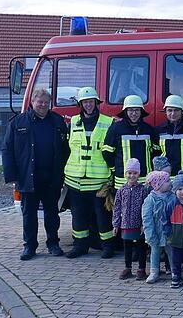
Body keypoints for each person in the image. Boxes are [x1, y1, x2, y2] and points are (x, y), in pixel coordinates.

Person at [3, 88, 70, 261]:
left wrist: (63, 173)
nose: (43, 105)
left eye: (46, 102)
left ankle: (53, 244)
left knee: (52, 214)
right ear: (32, 102)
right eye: (40, 102)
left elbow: (66, 149)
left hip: (51, 177)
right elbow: (7, 149)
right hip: (27, 177)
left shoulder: (57, 121)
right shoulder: (18, 122)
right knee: (29, 214)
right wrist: (12, 177)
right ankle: (29, 246)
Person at [64, 87, 116, 259]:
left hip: (98, 180)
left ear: (96, 103)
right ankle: (80, 246)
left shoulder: (108, 122)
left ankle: (107, 246)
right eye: (85, 102)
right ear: (81, 104)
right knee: (78, 215)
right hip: (75, 178)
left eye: (91, 101)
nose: (88, 105)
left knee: (102, 216)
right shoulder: (73, 122)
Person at [102, 95, 161, 190]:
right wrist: (116, 168)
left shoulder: (149, 129)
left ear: (141, 112)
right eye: (131, 110)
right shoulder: (115, 129)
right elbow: (107, 152)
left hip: (145, 180)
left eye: (137, 110)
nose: (134, 113)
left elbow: (157, 152)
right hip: (123, 180)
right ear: (125, 112)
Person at [113, 159, 149, 280]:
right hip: (125, 224)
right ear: (125, 174)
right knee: (127, 246)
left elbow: (146, 208)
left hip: (139, 224)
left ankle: (141, 269)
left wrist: (144, 224)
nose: (132, 176)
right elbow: (117, 207)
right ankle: (127, 267)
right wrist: (116, 224)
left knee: (141, 247)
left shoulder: (143, 190)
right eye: (129, 173)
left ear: (139, 174)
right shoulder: (121, 190)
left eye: (134, 173)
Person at [141, 171, 174, 284]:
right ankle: (154, 272)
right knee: (155, 251)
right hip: (156, 232)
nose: (170, 182)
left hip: (169, 232)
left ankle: (175, 271)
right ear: (158, 184)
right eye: (167, 181)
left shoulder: (172, 197)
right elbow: (147, 219)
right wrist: (149, 234)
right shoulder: (150, 200)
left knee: (171, 251)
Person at [164, 174, 183, 289]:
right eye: (180, 189)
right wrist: (169, 234)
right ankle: (175, 276)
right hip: (174, 238)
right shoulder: (171, 204)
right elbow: (165, 220)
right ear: (175, 190)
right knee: (175, 259)